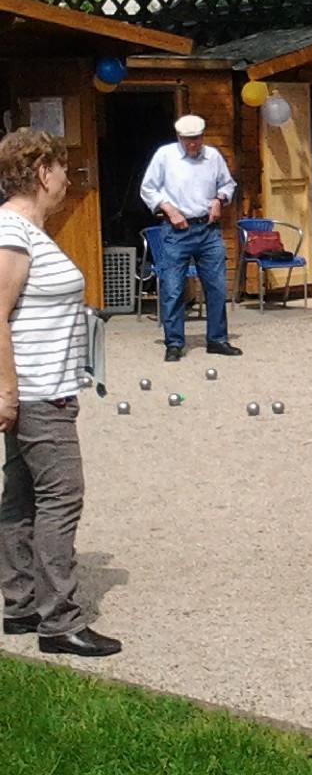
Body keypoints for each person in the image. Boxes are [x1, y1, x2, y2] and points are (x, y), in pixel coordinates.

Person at [0, 128, 121, 657]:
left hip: (43, 388)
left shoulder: (28, 230)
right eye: (62, 170)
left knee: (23, 495)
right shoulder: (13, 232)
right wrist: (6, 389)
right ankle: (59, 621)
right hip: (36, 393)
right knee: (61, 496)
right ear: (41, 172)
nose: (67, 180)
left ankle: (20, 604)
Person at [140, 114, 241, 361]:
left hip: (207, 229)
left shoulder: (213, 157)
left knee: (216, 286)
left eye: (195, 139)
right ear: (178, 138)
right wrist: (169, 210)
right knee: (173, 287)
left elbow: (228, 184)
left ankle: (217, 339)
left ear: (202, 137)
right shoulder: (165, 156)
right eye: (187, 140)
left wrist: (219, 200)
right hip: (176, 229)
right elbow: (148, 188)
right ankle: (174, 343)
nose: (192, 145)